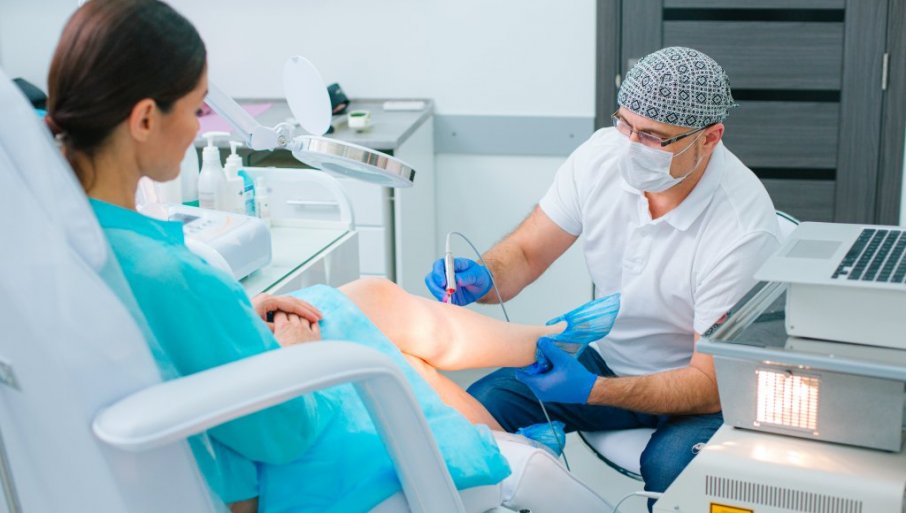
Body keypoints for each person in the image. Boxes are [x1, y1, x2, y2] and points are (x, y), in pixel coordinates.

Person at [43, 2, 612, 513]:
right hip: (284, 461)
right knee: (386, 352)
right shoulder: (168, 272)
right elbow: (286, 431)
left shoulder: (60, 237)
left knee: (371, 300)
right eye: (195, 110)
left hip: (218, 413)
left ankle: (540, 363)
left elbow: (175, 337)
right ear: (145, 119)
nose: (198, 128)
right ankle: (512, 446)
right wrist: (297, 355)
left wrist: (241, 314)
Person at [426, 46, 782, 501]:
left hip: (702, 390)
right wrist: (484, 276)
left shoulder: (741, 231)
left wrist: (591, 391)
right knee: (478, 408)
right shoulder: (600, 157)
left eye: (652, 137)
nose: (630, 147)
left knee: (674, 472)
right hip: (608, 356)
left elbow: (709, 385)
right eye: (625, 124)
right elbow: (527, 253)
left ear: (710, 137)